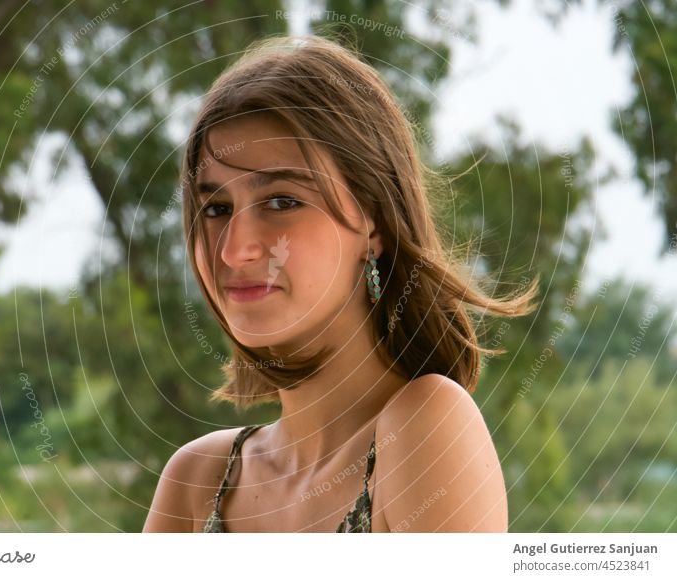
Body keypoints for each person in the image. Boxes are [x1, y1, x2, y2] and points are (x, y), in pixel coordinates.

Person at [143, 35, 538, 533]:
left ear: (372, 223)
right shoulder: (196, 481)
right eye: (216, 209)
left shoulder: (426, 425)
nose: (233, 249)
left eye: (282, 201)